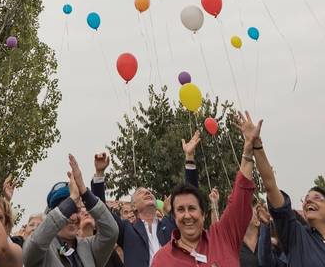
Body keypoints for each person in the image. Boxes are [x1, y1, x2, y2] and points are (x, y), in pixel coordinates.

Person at [252, 114, 325, 266]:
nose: (308, 200)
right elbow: (270, 185)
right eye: (306, 198)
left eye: (317, 198)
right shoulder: (297, 237)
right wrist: (256, 145)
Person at [151, 110, 257, 267]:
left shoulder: (223, 237)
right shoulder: (162, 260)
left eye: (192, 208)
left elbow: (241, 195)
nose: (187, 215)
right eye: (180, 210)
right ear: (173, 216)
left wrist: (248, 150)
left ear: (203, 213)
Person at [91, 133, 202, 267]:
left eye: (149, 192)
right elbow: (102, 212)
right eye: (141, 193)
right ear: (134, 207)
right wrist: (99, 175)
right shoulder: (126, 230)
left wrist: (189, 158)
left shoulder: (171, 224)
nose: (147, 193)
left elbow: (190, 198)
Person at [23, 154, 118, 267]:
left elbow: (111, 232)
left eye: (76, 211)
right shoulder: (43, 249)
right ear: (55, 215)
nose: (73, 217)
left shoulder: (89, 247)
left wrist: (84, 191)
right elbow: (35, 244)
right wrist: (72, 199)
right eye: (67, 210)